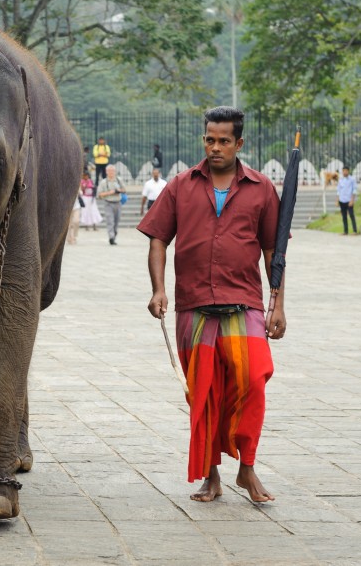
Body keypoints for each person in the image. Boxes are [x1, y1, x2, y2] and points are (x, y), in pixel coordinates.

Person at [137, 105, 285, 504]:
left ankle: (247, 468)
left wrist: (278, 304)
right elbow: (157, 239)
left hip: (245, 303)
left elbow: (274, 250)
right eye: (209, 139)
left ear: (239, 143)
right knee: (202, 395)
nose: (215, 147)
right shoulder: (181, 185)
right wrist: (158, 289)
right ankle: (212, 475)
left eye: (224, 141)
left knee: (253, 381)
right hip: (194, 306)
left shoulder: (261, 189)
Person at [97, 164, 126, 245]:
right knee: (110, 221)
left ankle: (114, 234)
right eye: (109, 171)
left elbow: (124, 190)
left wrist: (119, 190)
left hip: (118, 203)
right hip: (108, 203)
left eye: (112, 171)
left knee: (116, 221)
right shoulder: (103, 182)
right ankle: (111, 237)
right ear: (106, 172)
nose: (111, 172)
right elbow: (99, 194)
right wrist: (110, 192)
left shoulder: (119, 180)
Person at [336, 166, 358, 234]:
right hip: (342, 199)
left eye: (346, 171)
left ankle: (354, 230)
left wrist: (352, 200)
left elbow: (354, 190)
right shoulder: (341, 180)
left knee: (351, 215)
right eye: (343, 171)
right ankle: (345, 231)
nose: (345, 172)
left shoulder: (352, 179)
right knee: (344, 216)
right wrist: (337, 200)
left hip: (349, 199)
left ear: (348, 171)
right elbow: (338, 190)